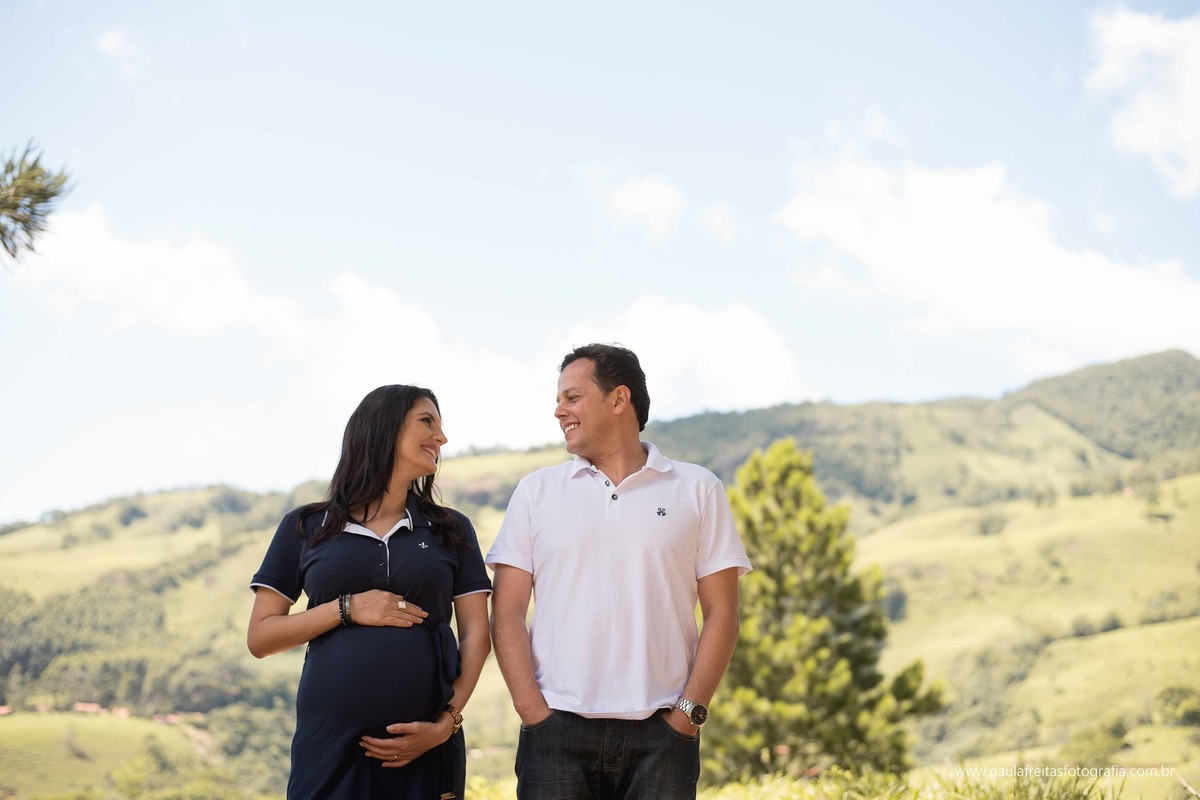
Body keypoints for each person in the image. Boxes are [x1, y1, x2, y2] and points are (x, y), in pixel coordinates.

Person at [488, 343, 752, 799]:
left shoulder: (698, 488)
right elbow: (506, 608)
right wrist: (533, 712)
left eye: (572, 397)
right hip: (555, 734)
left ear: (618, 399)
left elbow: (724, 614)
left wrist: (687, 717)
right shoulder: (536, 492)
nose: (558, 411)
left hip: (663, 737)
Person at [247, 385, 491, 800]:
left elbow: (476, 636)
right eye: (427, 422)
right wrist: (348, 608)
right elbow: (261, 638)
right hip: (329, 748)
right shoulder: (305, 527)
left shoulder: (452, 528)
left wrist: (444, 725)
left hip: (425, 747)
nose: (442, 438)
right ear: (384, 428)